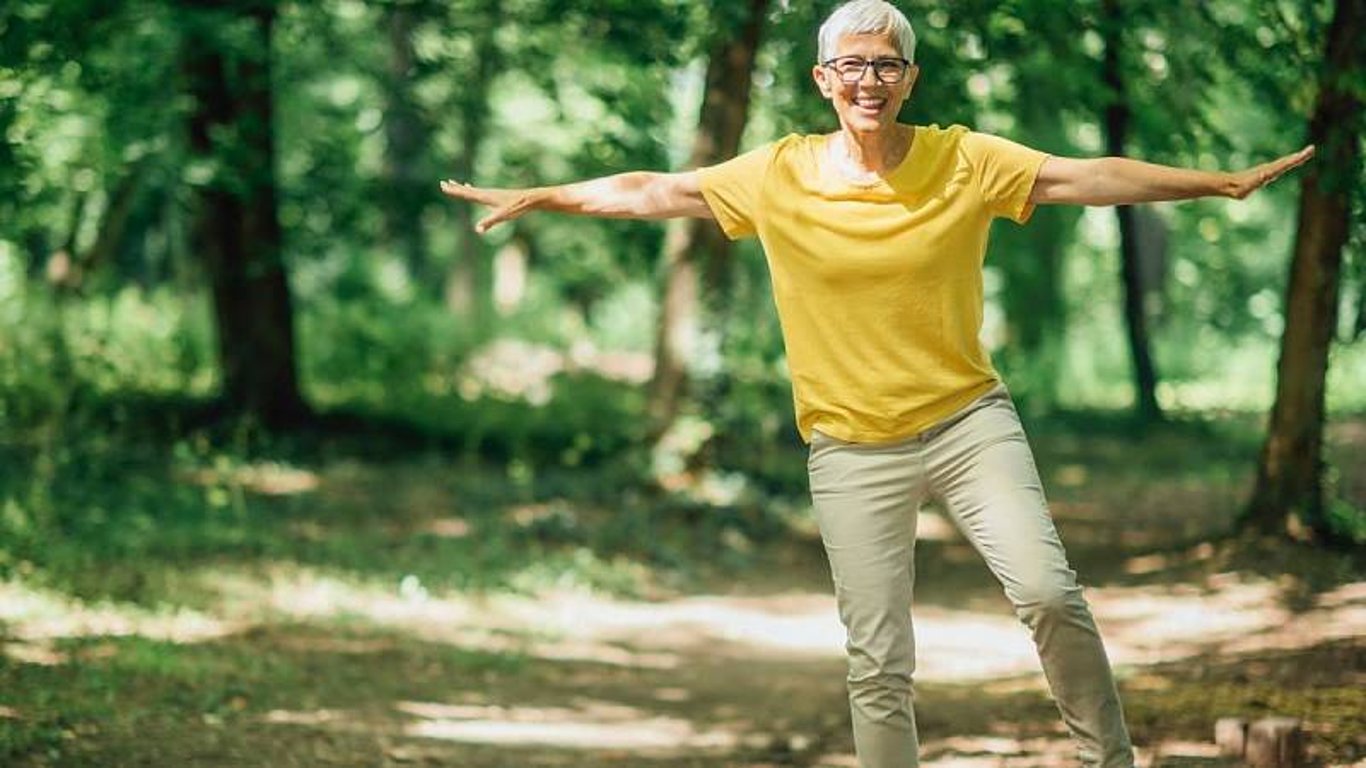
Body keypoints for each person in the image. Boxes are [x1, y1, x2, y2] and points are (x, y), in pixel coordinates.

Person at [440, 2, 1313, 765]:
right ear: (824, 78)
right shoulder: (776, 175)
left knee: (1050, 595)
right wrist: (545, 194)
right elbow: (653, 190)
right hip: (852, 445)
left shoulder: (964, 160)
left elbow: (1081, 177)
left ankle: (1108, 761)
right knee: (879, 657)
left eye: (885, 63)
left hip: (970, 422)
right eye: (852, 64)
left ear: (909, 77)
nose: (869, 79)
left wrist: (1219, 185)